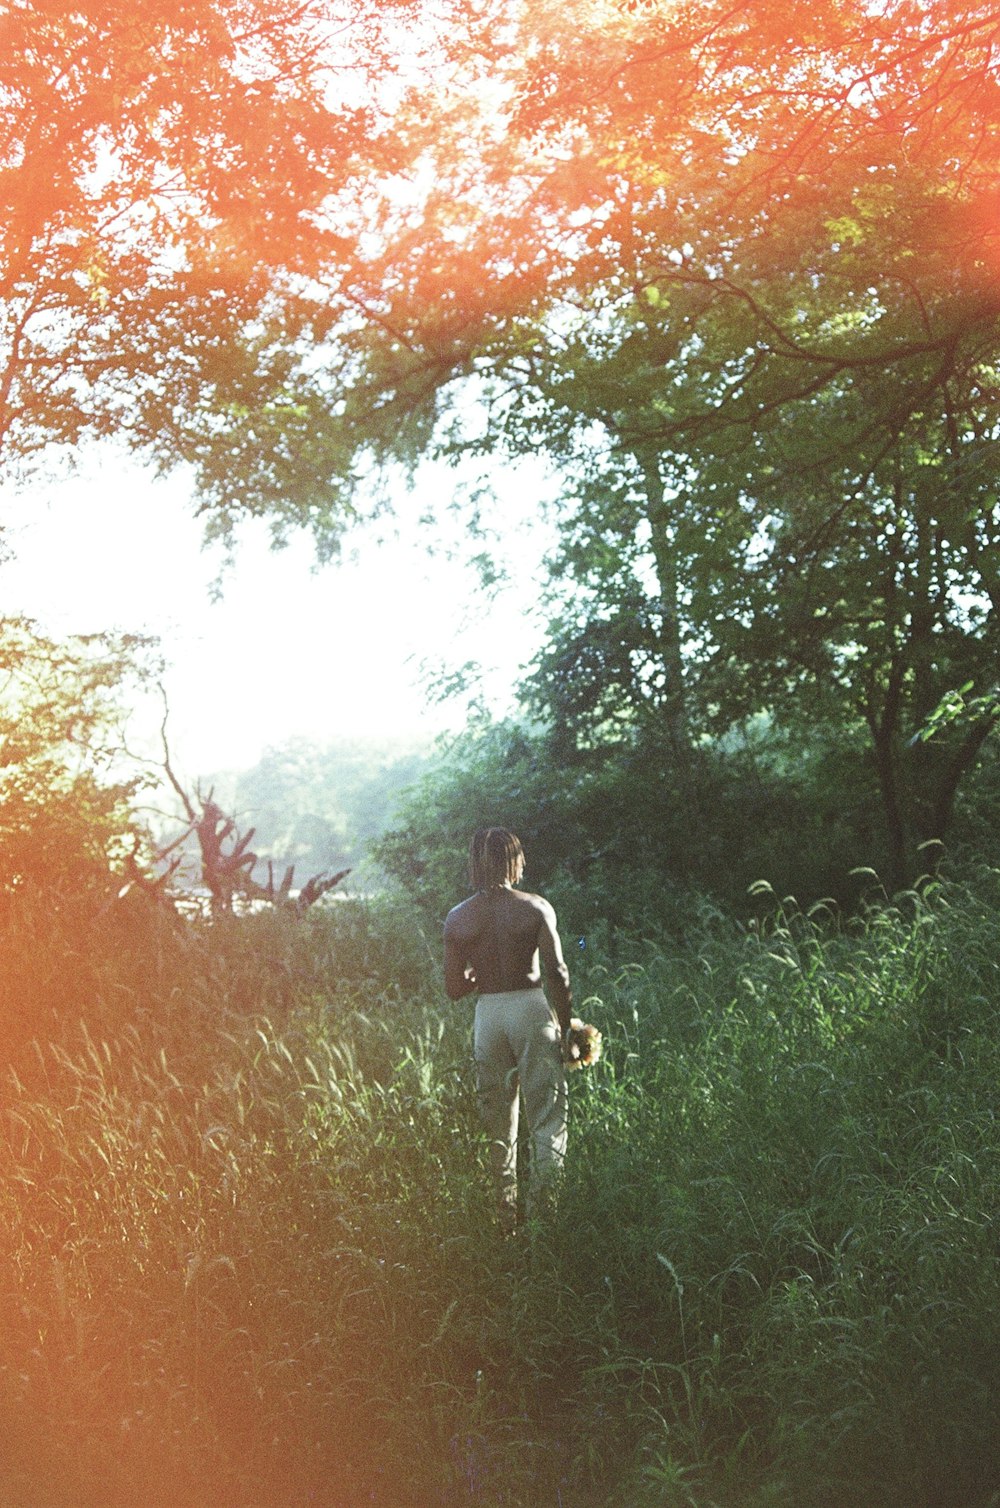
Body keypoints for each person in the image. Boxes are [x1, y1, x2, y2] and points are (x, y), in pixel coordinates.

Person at [443, 827, 573, 1233]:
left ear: (475, 863)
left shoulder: (458, 917)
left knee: (498, 1122)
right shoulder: (535, 908)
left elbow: (452, 989)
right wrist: (567, 1027)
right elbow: (557, 973)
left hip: (489, 1014)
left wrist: (476, 973)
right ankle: (544, 1222)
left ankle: (505, 1224)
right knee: (547, 1118)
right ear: (513, 860)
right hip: (530, 1010)